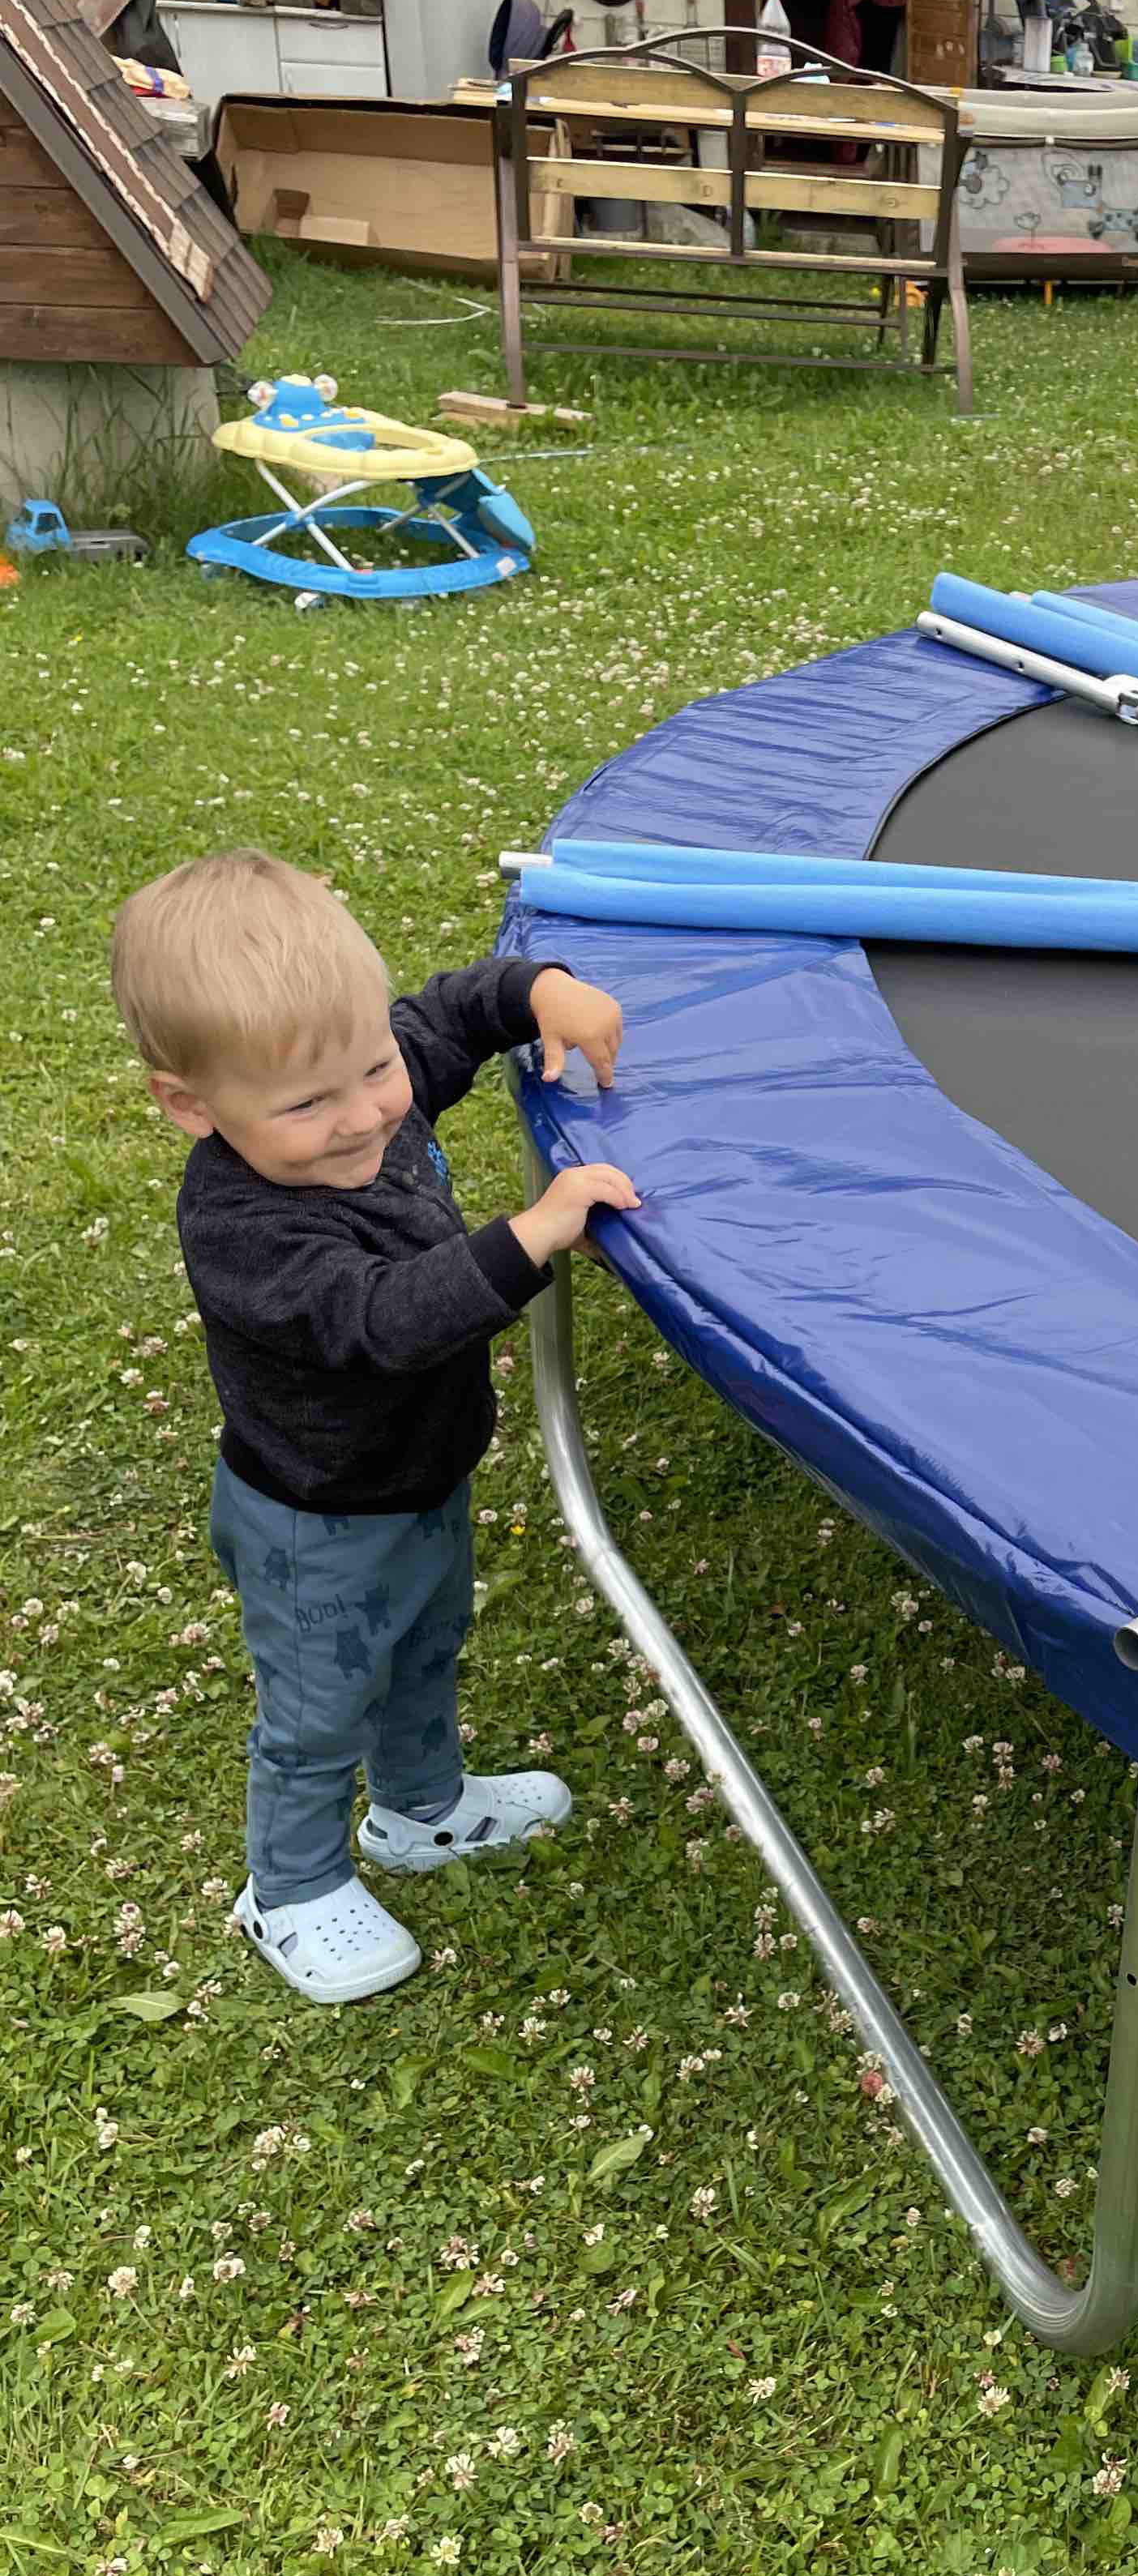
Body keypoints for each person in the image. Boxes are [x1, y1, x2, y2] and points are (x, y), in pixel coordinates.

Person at [109, 849, 639, 2005]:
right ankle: (290, 1889)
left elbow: (445, 1016)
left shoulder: (361, 1086)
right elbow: (385, 1320)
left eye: (376, 1070)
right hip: (317, 1522)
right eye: (309, 1105)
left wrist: (537, 991)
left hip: (420, 1475)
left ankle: (420, 1807)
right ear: (191, 1105)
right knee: (317, 1711)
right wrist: (531, 1235)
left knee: (425, 1648)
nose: (365, 1117)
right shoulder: (243, 1227)